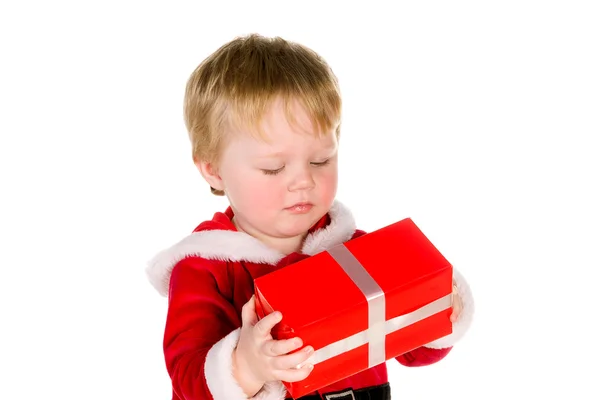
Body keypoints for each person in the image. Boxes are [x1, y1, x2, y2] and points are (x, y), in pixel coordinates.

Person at [146, 33, 474, 400]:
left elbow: (417, 350)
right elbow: (188, 378)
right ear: (213, 170)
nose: (303, 180)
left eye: (321, 160)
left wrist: (439, 311)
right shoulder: (205, 268)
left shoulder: (357, 252)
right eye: (273, 168)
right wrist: (247, 367)